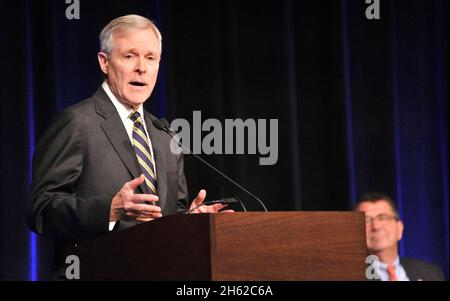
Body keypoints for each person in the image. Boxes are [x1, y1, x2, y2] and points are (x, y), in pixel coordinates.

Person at [27, 14, 229, 278]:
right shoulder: (76, 123)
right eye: (130, 56)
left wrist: (190, 222)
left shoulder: (165, 134)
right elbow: (41, 210)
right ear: (104, 62)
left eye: (150, 58)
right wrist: (109, 210)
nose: (141, 68)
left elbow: (170, 215)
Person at [354, 192, 445, 281]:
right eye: (366, 220)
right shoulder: (348, 276)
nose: (376, 226)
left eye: (382, 218)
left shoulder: (430, 273)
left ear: (399, 228)